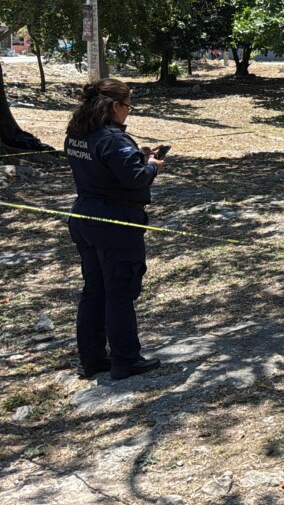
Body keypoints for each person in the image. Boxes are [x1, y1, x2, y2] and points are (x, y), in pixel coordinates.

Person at [64, 79, 166, 380]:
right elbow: (134, 178)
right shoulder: (112, 138)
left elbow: (107, 166)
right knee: (120, 290)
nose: (128, 113)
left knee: (95, 289)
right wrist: (153, 165)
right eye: (128, 106)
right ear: (114, 106)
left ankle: (93, 359)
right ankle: (125, 360)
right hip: (115, 223)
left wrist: (138, 154)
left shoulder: (78, 135)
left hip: (84, 217)